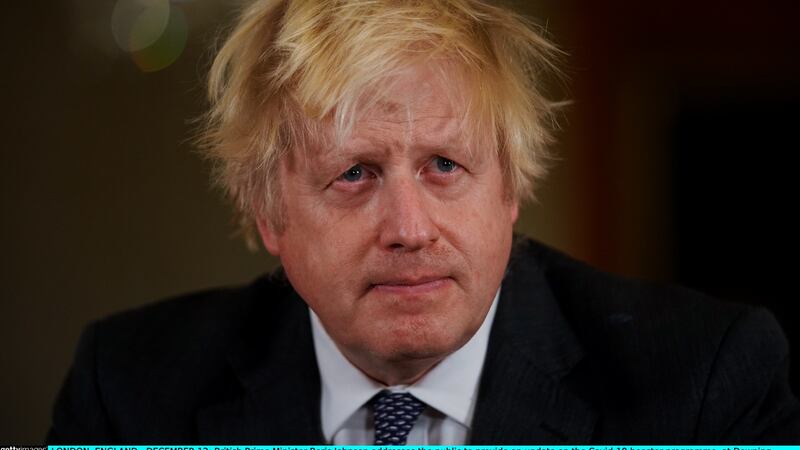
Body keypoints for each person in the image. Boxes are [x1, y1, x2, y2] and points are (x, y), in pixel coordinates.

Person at [49, 0, 799, 444]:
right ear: (268, 211)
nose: (409, 228)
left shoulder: (705, 386)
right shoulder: (128, 392)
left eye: (445, 166)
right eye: (354, 174)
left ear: (510, 189)